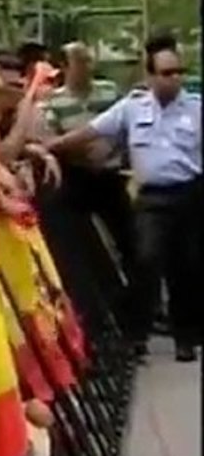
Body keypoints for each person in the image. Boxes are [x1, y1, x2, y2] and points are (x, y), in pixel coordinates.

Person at [48, 33, 202, 361]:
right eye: (166, 73)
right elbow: (89, 133)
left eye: (178, 72)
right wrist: (44, 148)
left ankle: (185, 338)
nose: (174, 79)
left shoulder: (197, 109)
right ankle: (136, 335)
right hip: (151, 199)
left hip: (189, 194)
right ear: (150, 76)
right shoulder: (132, 108)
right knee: (144, 260)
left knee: (185, 267)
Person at [42, 41, 137, 326]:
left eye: (88, 60)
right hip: (78, 177)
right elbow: (50, 141)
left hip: (110, 176)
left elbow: (127, 124)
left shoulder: (108, 92)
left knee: (131, 242)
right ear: (65, 66)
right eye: (79, 61)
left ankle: (139, 306)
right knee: (81, 245)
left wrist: (112, 149)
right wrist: (78, 151)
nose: (86, 67)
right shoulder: (54, 102)